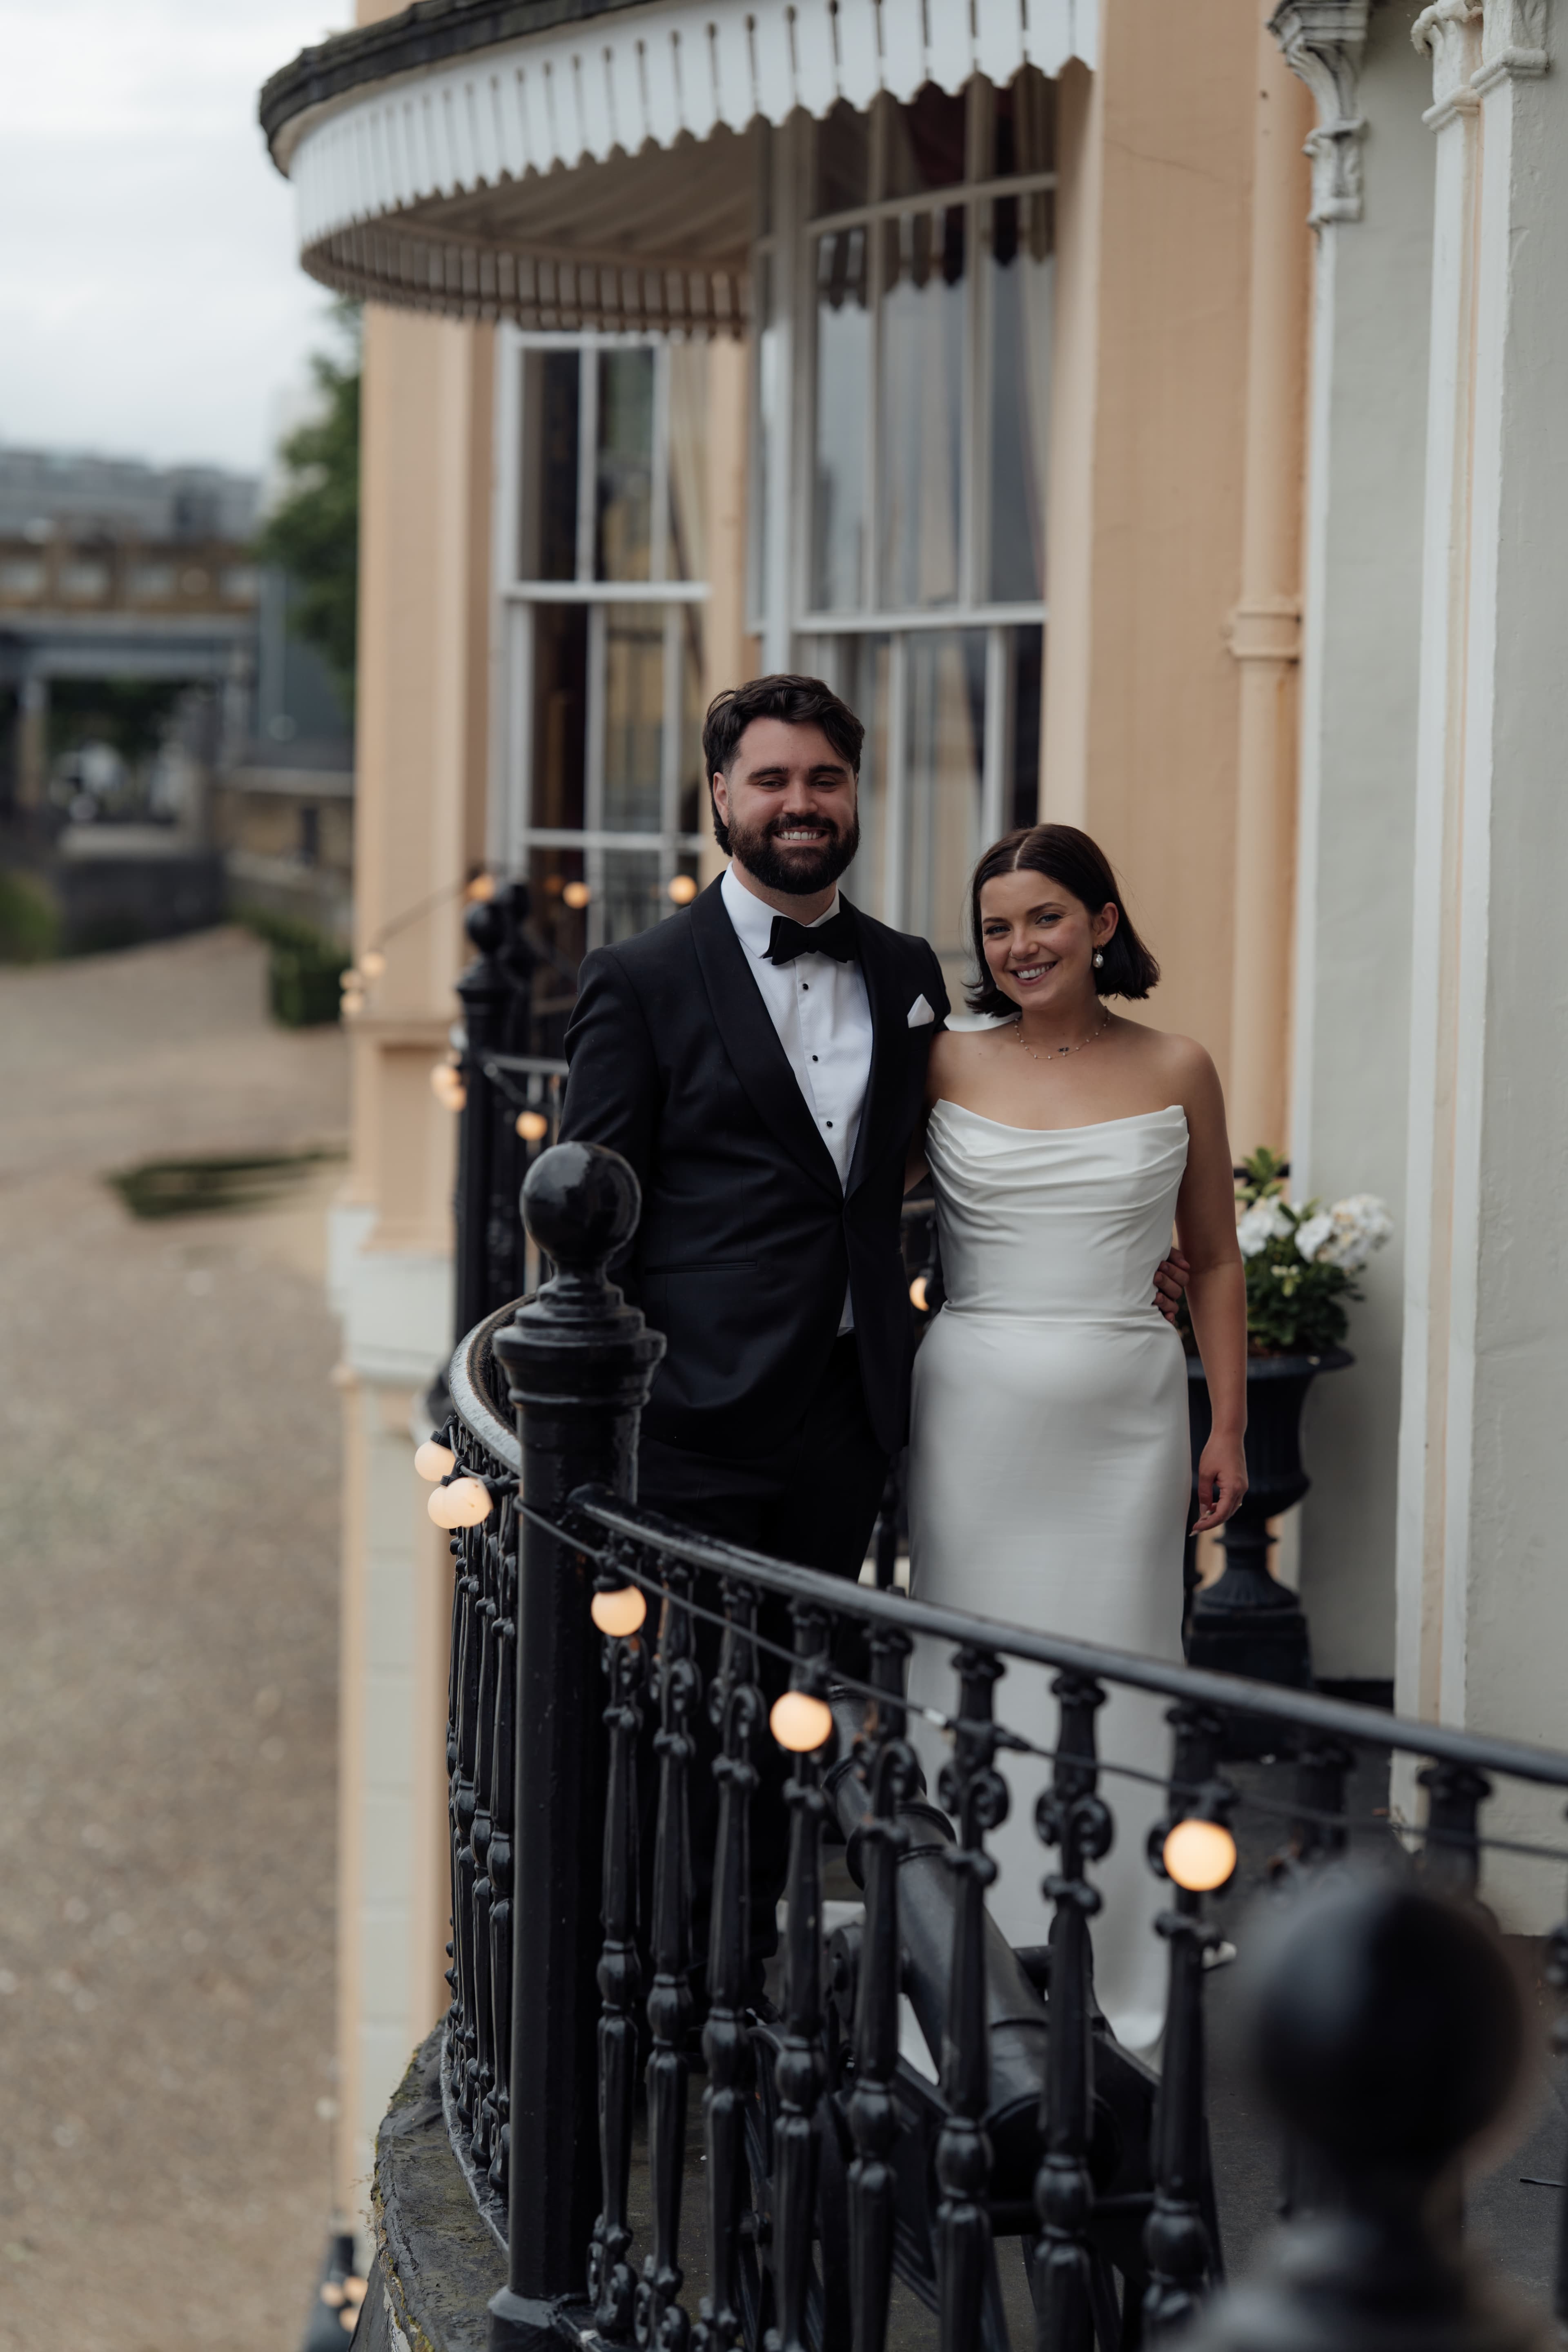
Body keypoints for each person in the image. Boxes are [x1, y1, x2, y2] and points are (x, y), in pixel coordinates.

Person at [558, 677, 1189, 1979]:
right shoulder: (639, 979)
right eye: (774, 781)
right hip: (696, 1423)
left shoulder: (907, 973)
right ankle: (667, 1995)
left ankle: (763, 1981)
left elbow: (944, 1157)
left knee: (798, 1722)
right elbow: (584, 1214)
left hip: (854, 1415)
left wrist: (1122, 1242)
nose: (802, 805)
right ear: (722, 797)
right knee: (688, 1728)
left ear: (856, 796)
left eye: (826, 780)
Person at [905, 822, 1247, 2055]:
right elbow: (847, 1213)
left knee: (1122, 1684)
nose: (1019, 944)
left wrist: (1231, 1427)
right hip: (972, 1415)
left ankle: (1119, 1986)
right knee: (969, 1686)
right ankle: (969, 1983)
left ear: (1103, 922)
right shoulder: (942, 1062)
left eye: (1045, 917)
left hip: (1129, 1413)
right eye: (997, 927)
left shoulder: (1180, 1065)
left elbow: (1212, 1259)